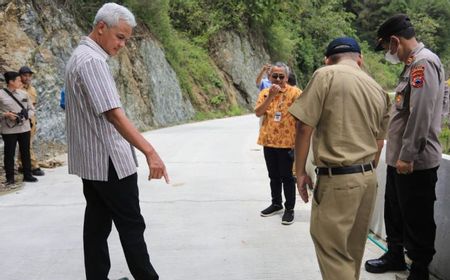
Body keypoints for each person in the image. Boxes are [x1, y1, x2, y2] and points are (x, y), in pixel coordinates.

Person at [65, 3, 169, 280]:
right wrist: (150, 151)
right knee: (131, 224)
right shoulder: (92, 62)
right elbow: (114, 115)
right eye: (120, 36)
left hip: (92, 161)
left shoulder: (80, 56)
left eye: (126, 39)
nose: (122, 44)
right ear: (101, 27)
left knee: (97, 224)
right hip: (109, 160)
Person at [289, 37, 390, 280]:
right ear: (360, 59)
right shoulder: (377, 88)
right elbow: (379, 141)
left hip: (338, 181)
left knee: (333, 252)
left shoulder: (325, 75)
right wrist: (365, 171)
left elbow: (304, 126)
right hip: (367, 180)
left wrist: (300, 172)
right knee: (352, 252)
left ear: (328, 59)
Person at [365, 14, 445, 280]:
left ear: (395, 42)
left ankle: (419, 270)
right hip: (398, 158)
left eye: (387, 46)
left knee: (417, 216)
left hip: (414, 161)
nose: (390, 53)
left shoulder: (423, 64)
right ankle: (395, 254)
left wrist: (408, 155)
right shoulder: (412, 65)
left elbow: (422, 113)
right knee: (395, 209)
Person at [255, 62, 301, 225]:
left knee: (287, 177)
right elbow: (258, 112)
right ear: (269, 77)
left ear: (287, 78)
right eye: (275, 76)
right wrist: (271, 97)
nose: (278, 79)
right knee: (273, 176)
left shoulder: (295, 93)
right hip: (269, 141)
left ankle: (289, 209)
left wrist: (299, 143)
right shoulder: (265, 93)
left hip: (287, 143)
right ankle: (276, 204)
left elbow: (302, 119)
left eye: (282, 76)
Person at [0, 71, 38, 185]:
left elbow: (32, 109)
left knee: (25, 152)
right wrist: (5, 115)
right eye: (17, 80)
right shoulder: (1, 94)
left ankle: (28, 175)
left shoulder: (24, 94)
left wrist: (25, 116)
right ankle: (10, 178)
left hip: (24, 128)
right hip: (8, 129)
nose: (20, 81)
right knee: (9, 154)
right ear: (11, 82)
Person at [17, 66, 45, 176]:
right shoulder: (18, 89)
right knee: (27, 144)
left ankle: (21, 165)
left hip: (32, 119)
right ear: (20, 76)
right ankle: (33, 166)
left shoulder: (32, 89)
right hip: (22, 119)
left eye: (29, 75)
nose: (27, 77)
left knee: (27, 143)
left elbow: (33, 105)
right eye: (25, 75)